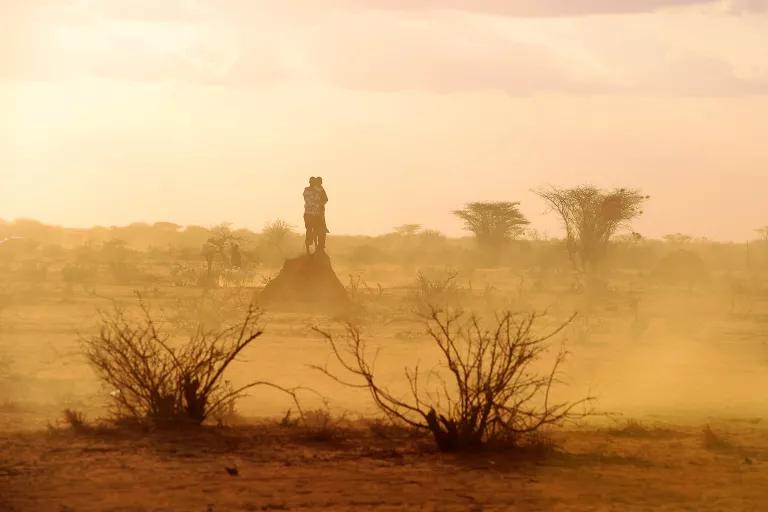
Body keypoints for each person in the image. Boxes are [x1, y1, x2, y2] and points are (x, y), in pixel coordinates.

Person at [303, 177, 329, 254]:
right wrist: (320, 204)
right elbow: (326, 199)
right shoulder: (320, 189)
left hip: (307, 214)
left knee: (308, 229)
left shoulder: (306, 190)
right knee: (322, 230)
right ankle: (321, 246)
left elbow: (306, 199)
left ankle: (309, 242)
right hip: (318, 214)